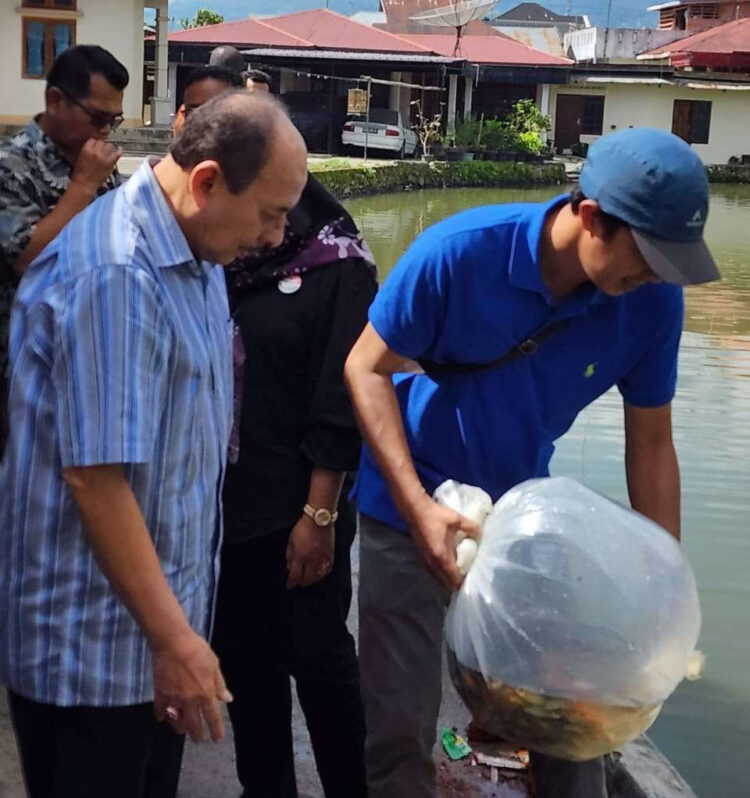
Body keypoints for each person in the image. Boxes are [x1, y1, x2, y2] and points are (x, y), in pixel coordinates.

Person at [344, 127, 721, 798]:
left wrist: (662, 586)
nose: (651, 279)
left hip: (526, 524)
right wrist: (418, 507)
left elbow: (653, 444)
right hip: (407, 509)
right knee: (399, 722)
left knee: (569, 716)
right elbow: (365, 367)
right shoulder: (459, 254)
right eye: (645, 257)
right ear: (592, 216)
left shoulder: (654, 300)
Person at [0, 91, 308, 798]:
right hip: (88, 655)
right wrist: (175, 641)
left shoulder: (195, 252)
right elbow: (96, 479)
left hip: (151, 641)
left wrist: (179, 638)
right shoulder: (117, 272)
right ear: (205, 182)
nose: (275, 236)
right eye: (269, 212)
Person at [181, 66, 376, 798]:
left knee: (322, 664)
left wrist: (319, 515)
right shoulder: (212, 252)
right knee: (249, 671)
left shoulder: (336, 265)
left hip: (301, 510)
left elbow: (339, 397)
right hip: (223, 513)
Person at [0, 44, 127, 456]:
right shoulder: (11, 163)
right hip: (18, 370)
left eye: (114, 120)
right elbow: (28, 259)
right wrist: (82, 188)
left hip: (85, 363)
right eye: (97, 118)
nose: (105, 132)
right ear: (55, 100)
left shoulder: (99, 168)